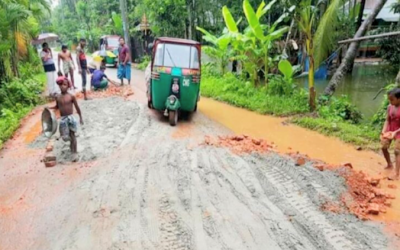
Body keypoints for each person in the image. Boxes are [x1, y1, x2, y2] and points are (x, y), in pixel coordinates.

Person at [49, 78, 83, 162]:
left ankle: (74, 153)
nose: (62, 87)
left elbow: (77, 107)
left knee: (72, 135)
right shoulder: (58, 97)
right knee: (65, 137)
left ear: (68, 86)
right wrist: (49, 108)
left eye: (64, 85)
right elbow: (57, 107)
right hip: (63, 119)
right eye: (61, 85)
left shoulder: (71, 96)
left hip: (71, 118)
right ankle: (71, 147)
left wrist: (81, 117)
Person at [381, 88, 400, 180]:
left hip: (398, 132)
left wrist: (395, 132)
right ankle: (389, 164)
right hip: (390, 130)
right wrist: (384, 131)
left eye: (392, 99)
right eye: (389, 99)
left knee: (397, 151)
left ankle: (397, 173)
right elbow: (387, 120)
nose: (390, 101)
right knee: (384, 147)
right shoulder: (390, 107)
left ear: (399, 98)